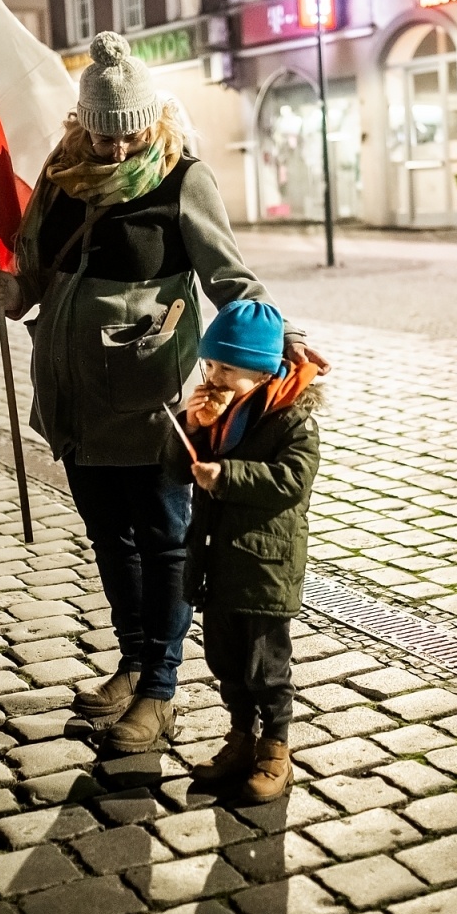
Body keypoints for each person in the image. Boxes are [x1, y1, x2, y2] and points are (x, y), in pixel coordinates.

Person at [0, 31, 327, 753]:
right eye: (103, 135)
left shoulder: (180, 178)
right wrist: (14, 289)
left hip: (153, 401)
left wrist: (281, 334)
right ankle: (133, 661)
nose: (115, 150)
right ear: (83, 125)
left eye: (128, 132)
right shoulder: (60, 178)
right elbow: (37, 274)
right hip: (73, 396)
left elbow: (228, 277)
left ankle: (162, 689)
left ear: (151, 118)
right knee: (109, 538)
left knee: (166, 543)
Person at [167, 300, 320, 803]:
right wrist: (188, 430)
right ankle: (240, 738)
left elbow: (292, 481)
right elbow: (173, 467)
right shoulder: (214, 413)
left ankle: (276, 748)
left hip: (265, 566)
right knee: (226, 662)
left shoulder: (292, 419)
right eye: (209, 365)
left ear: (261, 368)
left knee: (266, 667)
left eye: (226, 368)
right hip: (217, 562)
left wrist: (227, 476)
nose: (213, 376)